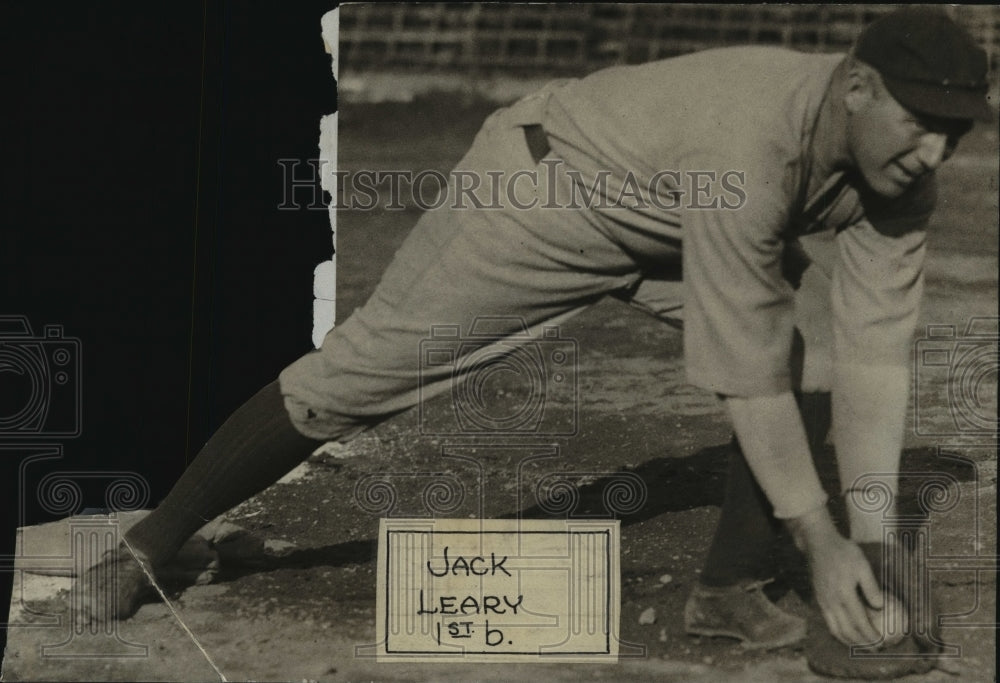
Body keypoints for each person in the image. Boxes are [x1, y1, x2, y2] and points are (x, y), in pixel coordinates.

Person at [80, 6, 989, 669]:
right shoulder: (752, 142)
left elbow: (872, 355)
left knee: (818, 354)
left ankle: (726, 592)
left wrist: (869, 532)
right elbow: (744, 372)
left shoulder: (899, 179)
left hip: (669, 214)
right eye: (921, 126)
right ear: (858, 88)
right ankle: (153, 542)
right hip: (544, 194)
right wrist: (823, 544)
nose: (935, 156)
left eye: (955, 133)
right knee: (356, 377)